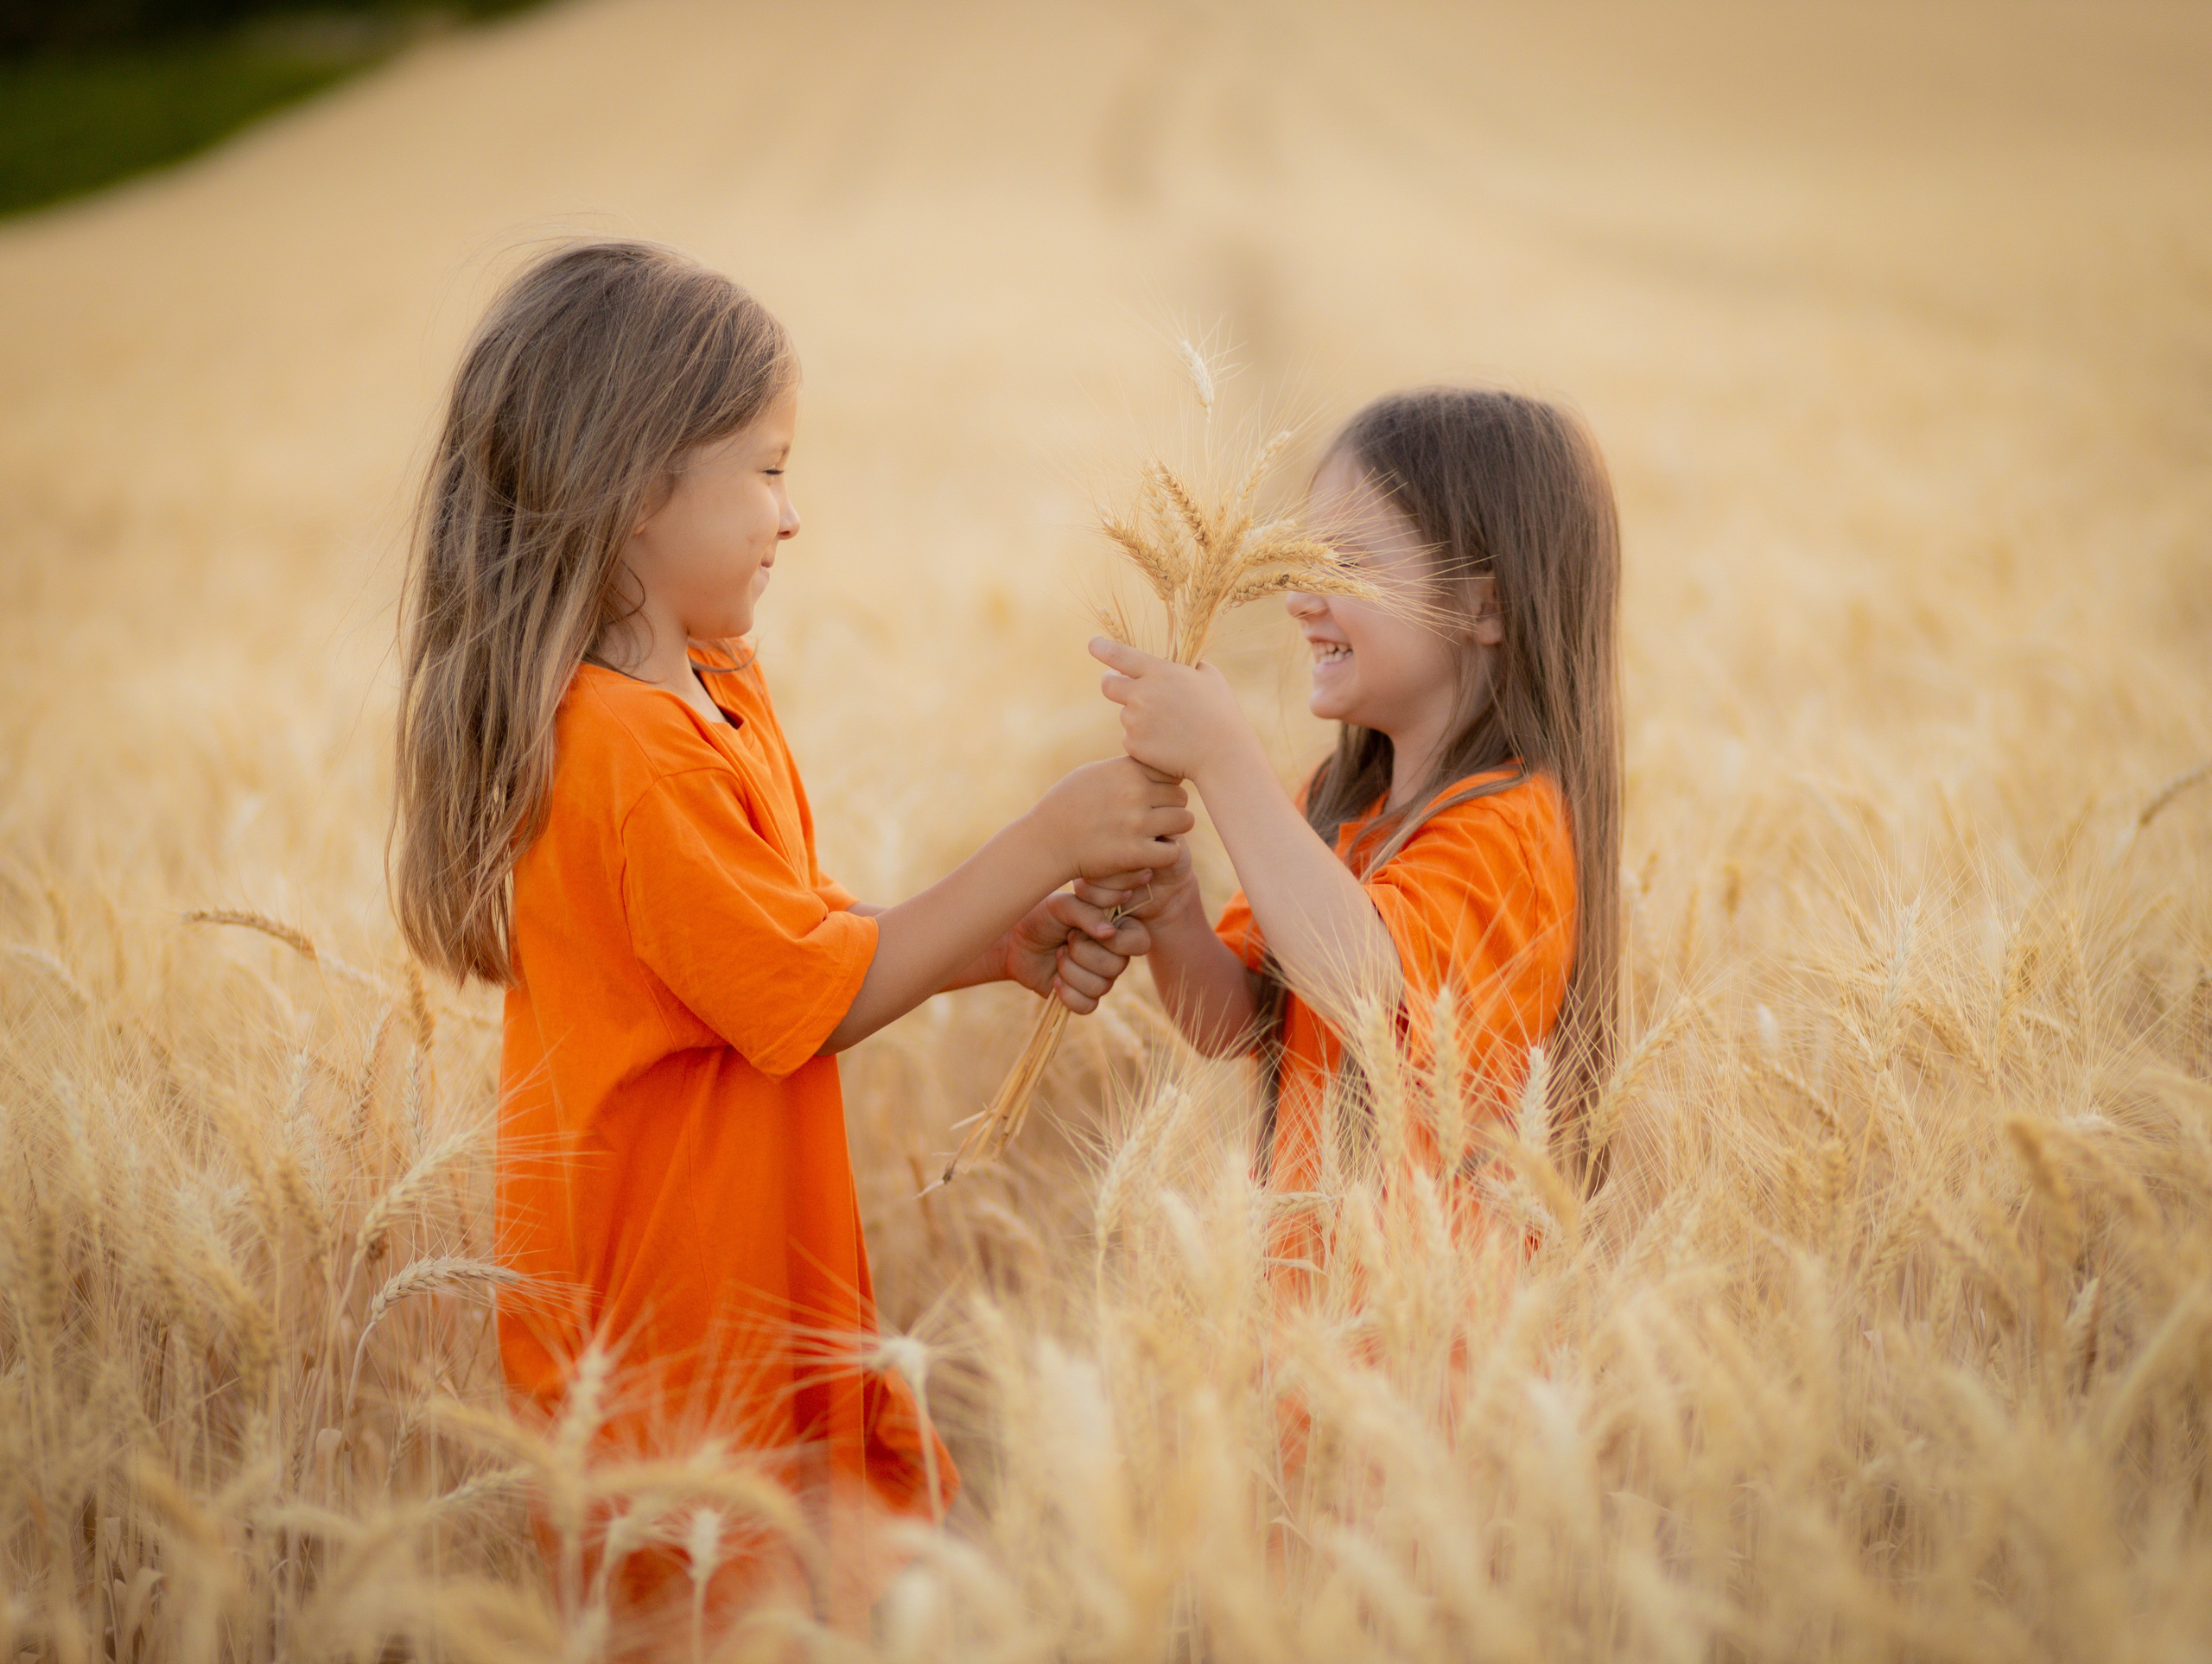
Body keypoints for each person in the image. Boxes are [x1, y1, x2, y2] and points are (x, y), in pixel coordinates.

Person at [388, 239, 1186, 1631]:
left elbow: (782, 942)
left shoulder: (709, 696)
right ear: (640, 487)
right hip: (671, 1325)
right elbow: (801, 997)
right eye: (766, 469)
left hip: (756, 1276)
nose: (793, 514)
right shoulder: (623, 751)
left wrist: (992, 944)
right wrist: (1044, 844)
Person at [1088, 386, 1622, 1227]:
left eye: (1344, 564)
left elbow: (1364, 989)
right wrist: (1173, 913)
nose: (1300, 597)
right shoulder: (1337, 805)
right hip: (1312, 1316)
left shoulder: (1513, 828)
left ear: (1483, 605)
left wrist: (1226, 762)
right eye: (1302, 562)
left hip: (1439, 1333)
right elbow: (1237, 1024)